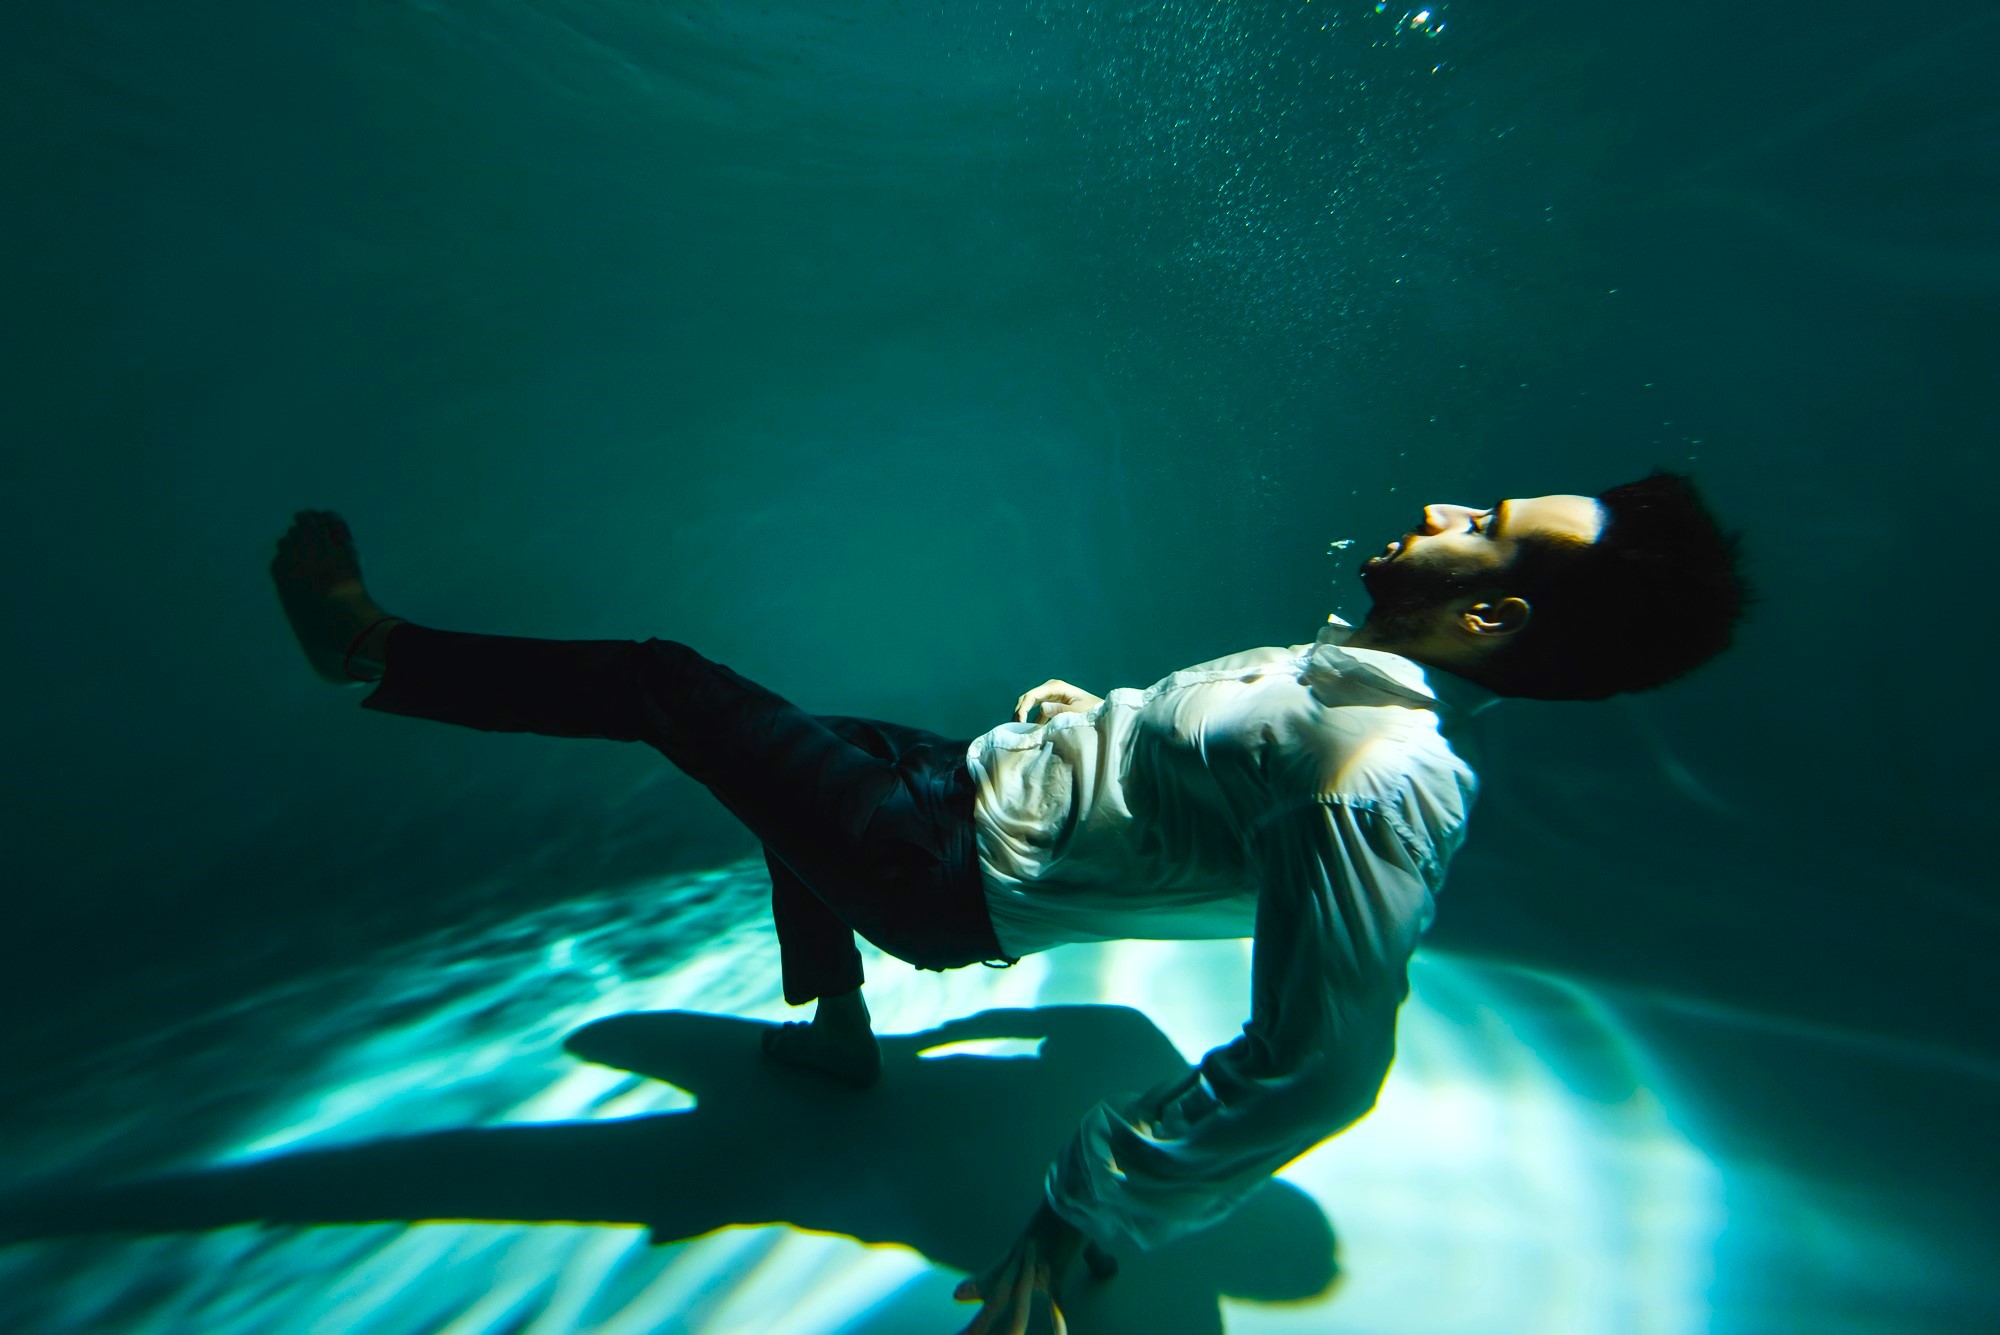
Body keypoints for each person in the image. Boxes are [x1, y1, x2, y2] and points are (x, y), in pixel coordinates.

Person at [269, 469, 1748, 1334]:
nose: (1440, 503)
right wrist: (1090, 723)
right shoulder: (1353, 691)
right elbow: (1205, 784)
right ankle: (839, 1033)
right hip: (971, 786)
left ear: (1491, 615)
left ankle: (372, 656)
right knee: (797, 752)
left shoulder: (1379, 770)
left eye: (1482, 518)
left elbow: (1318, 1061)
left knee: (669, 687)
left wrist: (1083, 1217)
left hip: (939, 870)